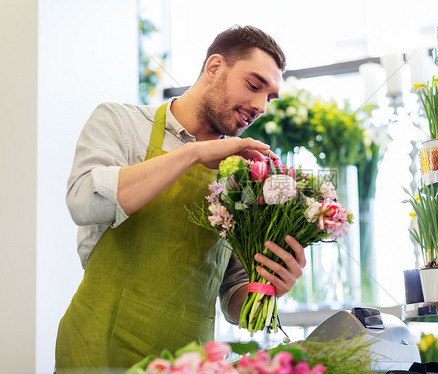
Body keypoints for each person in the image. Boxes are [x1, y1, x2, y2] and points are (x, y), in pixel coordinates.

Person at [55, 25, 306, 370]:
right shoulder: (122, 122)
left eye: (270, 97)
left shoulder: (242, 176)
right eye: (253, 85)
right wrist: (193, 154)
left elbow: (232, 293)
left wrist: (269, 288)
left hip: (192, 362)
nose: (261, 106)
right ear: (215, 67)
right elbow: (82, 201)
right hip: (100, 351)